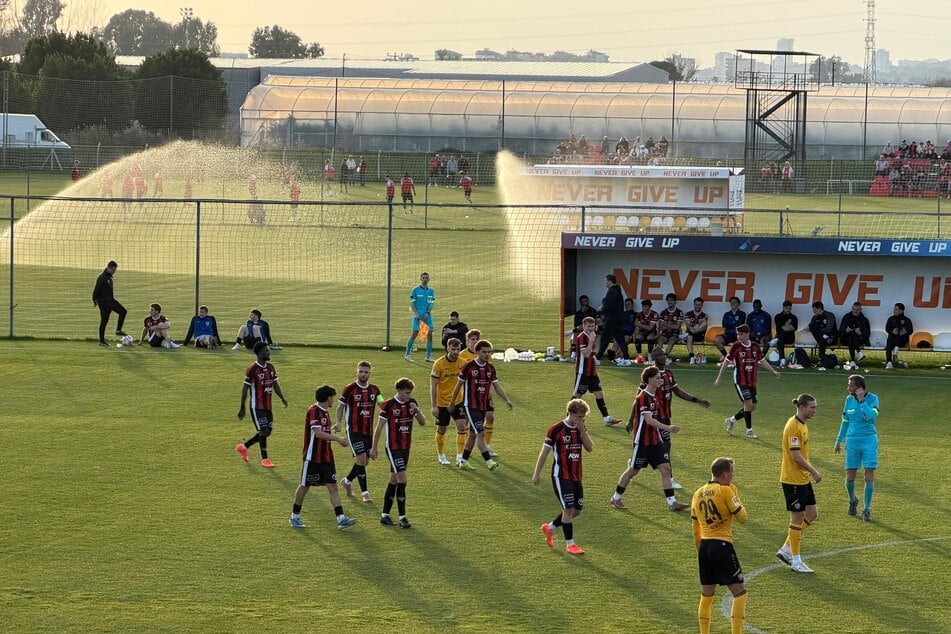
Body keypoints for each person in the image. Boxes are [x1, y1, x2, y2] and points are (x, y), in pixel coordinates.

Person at [610, 366, 688, 512]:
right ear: (650, 379)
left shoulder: (655, 395)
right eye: (658, 378)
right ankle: (616, 498)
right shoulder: (643, 397)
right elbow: (649, 420)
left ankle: (672, 503)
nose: (660, 380)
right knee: (633, 470)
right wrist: (668, 428)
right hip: (643, 442)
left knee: (666, 468)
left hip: (655, 441)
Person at [692, 457, 749, 634]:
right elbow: (743, 517)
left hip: (704, 547)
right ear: (724, 474)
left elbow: (695, 528)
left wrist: (700, 550)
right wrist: (734, 494)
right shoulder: (726, 491)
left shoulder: (697, 493)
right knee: (740, 594)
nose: (733, 475)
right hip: (722, 546)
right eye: (731, 472)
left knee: (707, 595)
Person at [289, 385, 358, 530]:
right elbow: (318, 433)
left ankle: (341, 519)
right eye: (332, 397)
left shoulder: (325, 412)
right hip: (312, 457)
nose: (333, 399)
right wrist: (338, 439)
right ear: (328, 398)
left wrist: (333, 430)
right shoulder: (314, 411)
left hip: (326, 457)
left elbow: (323, 432)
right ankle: (294, 516)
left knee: (332, 487)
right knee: (305, 486)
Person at [533, 398, 594, 556]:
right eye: (579, 417)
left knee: (577, 510)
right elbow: (544, 452)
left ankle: (550, 528)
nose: (580, 420)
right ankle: (570, 545)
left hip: (576, 475)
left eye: (583, 418)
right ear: (571, 413)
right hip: (561, 475)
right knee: (568, 509)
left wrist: (582, 430)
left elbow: (589, 448)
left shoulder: (580, 428)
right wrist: (537, 473)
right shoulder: (556, 429)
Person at [650, 347, 710, 491]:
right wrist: (633, 418)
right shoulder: (650, 374)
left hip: (665, 416)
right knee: (664, 446)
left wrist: (697, 400)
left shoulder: (669, 374)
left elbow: (677, 391)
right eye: (660, 355)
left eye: (664, 354)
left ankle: (635, 463)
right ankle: (669, 479)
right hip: (652, 416)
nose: (663, 357)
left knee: (658, 445)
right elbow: (639, 396)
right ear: (654, 357)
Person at [370, 377, 427, 528]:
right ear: (399, 390)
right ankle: (403, 517)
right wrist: (374, 447)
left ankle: (385, 515)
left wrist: (417, 411)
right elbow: (379, 427)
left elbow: (423, 422)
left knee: (394, 480)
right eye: (406, 393)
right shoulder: (388, 405)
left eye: (410, 393)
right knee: (402, 479)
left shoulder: (411, 403)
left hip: (405, 448)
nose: (408, 395)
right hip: (393, 448)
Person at [449, 339, 513, 471]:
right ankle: (489, 461)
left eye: (489, 352)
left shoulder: (490, 368)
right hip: (470, 405)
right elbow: (459, 385)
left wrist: (506, 400)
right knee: (480, 432)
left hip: (482, 406)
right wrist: (452, 402)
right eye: (484, 352)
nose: (487, 354)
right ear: (477, 352)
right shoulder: (469, 366)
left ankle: (463, 461)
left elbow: (497, 386)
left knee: (473, 434)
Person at [776, 393, 822, 573]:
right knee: (796, 519)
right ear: (802, 408)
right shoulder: (794, 427)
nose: (814, 411)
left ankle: (787, 548)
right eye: (812, 407)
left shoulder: (802, 425)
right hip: (793, 480)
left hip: (802, 479)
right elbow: (796, 456)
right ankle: (795, 560)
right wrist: (814, 471)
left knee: (811, 514)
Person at [715, 324, 780, 439]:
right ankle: (749, 431)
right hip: (740, 380)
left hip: (752, 381)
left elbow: (762, 360)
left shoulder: (755, 346)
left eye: (741, 334)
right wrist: (719, 377)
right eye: (738, 334)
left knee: (752, 406)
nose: (739, 336)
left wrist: (772, 370)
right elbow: (726, 362)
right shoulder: (736, 346)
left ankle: (731, 420)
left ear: (747, 334)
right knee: (748, 403)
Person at [336, 361, 383, 503]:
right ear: (357, 372)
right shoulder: (349, 389)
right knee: (361, 459)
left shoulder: (375, 390)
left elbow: (383, 404)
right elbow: (340, 407)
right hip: (354, 430)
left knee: (364, 461)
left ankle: (347, 481)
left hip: (368, 431)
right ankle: (365, 493)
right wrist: (338, 422)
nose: (363, 374)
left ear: (370, 373)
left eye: (366, 372)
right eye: (361, 371)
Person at [236, 341, 288, 469]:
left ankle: (244, 447)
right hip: (257, 406)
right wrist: (242, 407)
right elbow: (245, 389)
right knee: (263, 430)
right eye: (266, 351)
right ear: (259, 353)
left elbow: (275, 384)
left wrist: (282, 398)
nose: (268, 352)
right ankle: (265, 459)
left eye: (268, 350)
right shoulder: (252, 369)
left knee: (268, 431)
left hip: (267, 406)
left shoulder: (270, 367)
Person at [835, 374, 880, 522]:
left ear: (860, 388)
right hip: (852, 441)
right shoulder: (848, 400)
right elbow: (845, 421)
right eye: (849, 385)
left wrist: (862, 401)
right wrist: (838, 440)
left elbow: (872, 415)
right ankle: (853, 500)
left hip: (869, 440)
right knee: (850, 477)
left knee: (869, 475)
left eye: (851, 386)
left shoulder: (873, 399)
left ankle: (866, 509)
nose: (848, 388)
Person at [573, 317, 622, 427]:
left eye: (592, 326)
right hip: (583, 372)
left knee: (599, 393)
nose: (591, 328)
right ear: (583, 326)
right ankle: (569, 420)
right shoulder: (582, 337)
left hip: (592, 373)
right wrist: (591, 341)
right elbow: (585, 354)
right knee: (577, 396)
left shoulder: (592, 336)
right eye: (588, 326)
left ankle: (607, 418)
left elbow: (592, 353)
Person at [431, 338, 469, 466]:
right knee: (442, 429)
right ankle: (441, 455)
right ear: (447, 348)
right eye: (453, 349)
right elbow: (433, 386)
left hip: (458, 401)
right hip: (443, 403)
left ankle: (460, 457)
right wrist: (434, 405)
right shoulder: (438, 364)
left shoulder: (463, 363)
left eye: (458, 349)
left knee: (462, 426)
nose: (456, 352)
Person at [92, 260, 128, 346]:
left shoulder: (109, 277)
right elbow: (96, 290)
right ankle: (101, 341)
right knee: (104, 321)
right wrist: (94, 299)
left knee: (123, 311)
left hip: (111, 301)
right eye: (113, 270)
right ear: (109, 268)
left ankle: (118, 330)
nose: (114, 272)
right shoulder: (102, 278)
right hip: (104, 304)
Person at [597, 274, 628, 361]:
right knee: (620, 339)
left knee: (605, 338)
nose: (605, 283)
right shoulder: (618, 291)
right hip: (617, 319)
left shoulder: (612, 291)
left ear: (610, 281)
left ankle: (598, 357)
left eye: (605, 281)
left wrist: (602, 308)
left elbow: (609, 305)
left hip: (611, 319)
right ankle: (626, 357)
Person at [404, 272, 435, 362]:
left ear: (428, 279)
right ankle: (407, 355)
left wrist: (428, 312)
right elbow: (412, 303)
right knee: (415, 333)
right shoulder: (415, 290)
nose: (425, 279)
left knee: (430, 333)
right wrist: (416, 314)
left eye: (426, 278)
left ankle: (428, 356)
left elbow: (432, 303)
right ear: (420, 279)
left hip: (426, 314)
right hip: (417, 314)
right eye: (423, 278)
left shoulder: (431, 291)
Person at [838, 302, 871, 369]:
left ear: (860, 309)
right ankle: (859, 353)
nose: (855, 311)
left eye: (857, 309)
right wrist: (846, 331)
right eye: (854, 309)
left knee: (852, 337)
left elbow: (867, 333)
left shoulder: (864, 320)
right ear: (852, 309)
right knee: (851, 336)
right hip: (846, 339)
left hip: (859, 339)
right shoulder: (846, 317)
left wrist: (860, 333)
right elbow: (841, 329)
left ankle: (853, 361)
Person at [714, 297, 746, 363]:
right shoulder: (726, 314)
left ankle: (734, 358)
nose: (732, 304)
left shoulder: (742, 314)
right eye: (731, 303)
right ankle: (727, 357)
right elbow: (725, 326)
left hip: (738, 336)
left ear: (738, 304)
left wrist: (733, 326)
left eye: (734, 302)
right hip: (728, 335)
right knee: (717, 340)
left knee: (739, 342)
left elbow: (739, 326)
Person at [884, 302, 913, 369]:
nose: (894, 311)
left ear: (901, 311)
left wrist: (905, 332)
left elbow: (910, 331)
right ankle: (889, 362)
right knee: (889, 345)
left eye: (896, 309)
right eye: (894, 309)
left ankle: (896, 347)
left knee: (900, 336)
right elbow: (887, 328)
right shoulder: (891, 319)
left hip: (902, 341)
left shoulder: (906, 320)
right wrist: (892, 331)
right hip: (892, 340)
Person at [657, 293, 685, 357]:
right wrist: (672, 325)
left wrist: (666, 324)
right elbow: (661, 327)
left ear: (675, 301)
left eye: (671, 300)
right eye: (668, 300)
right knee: (660, 340)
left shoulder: (679, 312)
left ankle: (665, 356)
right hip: (664, 333)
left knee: (671, 341)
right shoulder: (663, 312)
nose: (670, 302)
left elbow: (677, 327)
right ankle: (662, 357)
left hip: (675, 333)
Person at [684, 297, 709, 364]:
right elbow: (688, 324)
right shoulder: (688, 314)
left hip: (699, 335)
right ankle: (692, 357)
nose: (697, 306)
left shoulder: (704, 315)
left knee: (704, 323)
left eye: (699, 305)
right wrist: (697, 325)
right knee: (690, 335)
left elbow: (704, 326)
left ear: (701, 305)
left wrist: (695, 329)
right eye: (696, 304)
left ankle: (696, 357)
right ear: (694, 304)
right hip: (690, 333)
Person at [773, 300, 798, 365]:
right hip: (781, 338)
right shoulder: (778, 316)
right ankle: (782, 360)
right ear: (783, 308)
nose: (788, 310)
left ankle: (776, 339)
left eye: (789, 308)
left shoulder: (794, 317)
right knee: (780, 340)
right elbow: (780, 327)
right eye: (786, 308)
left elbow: (794, 328)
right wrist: (788, 326)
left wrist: (785, 326)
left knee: (779, 338)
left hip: (790, 338)